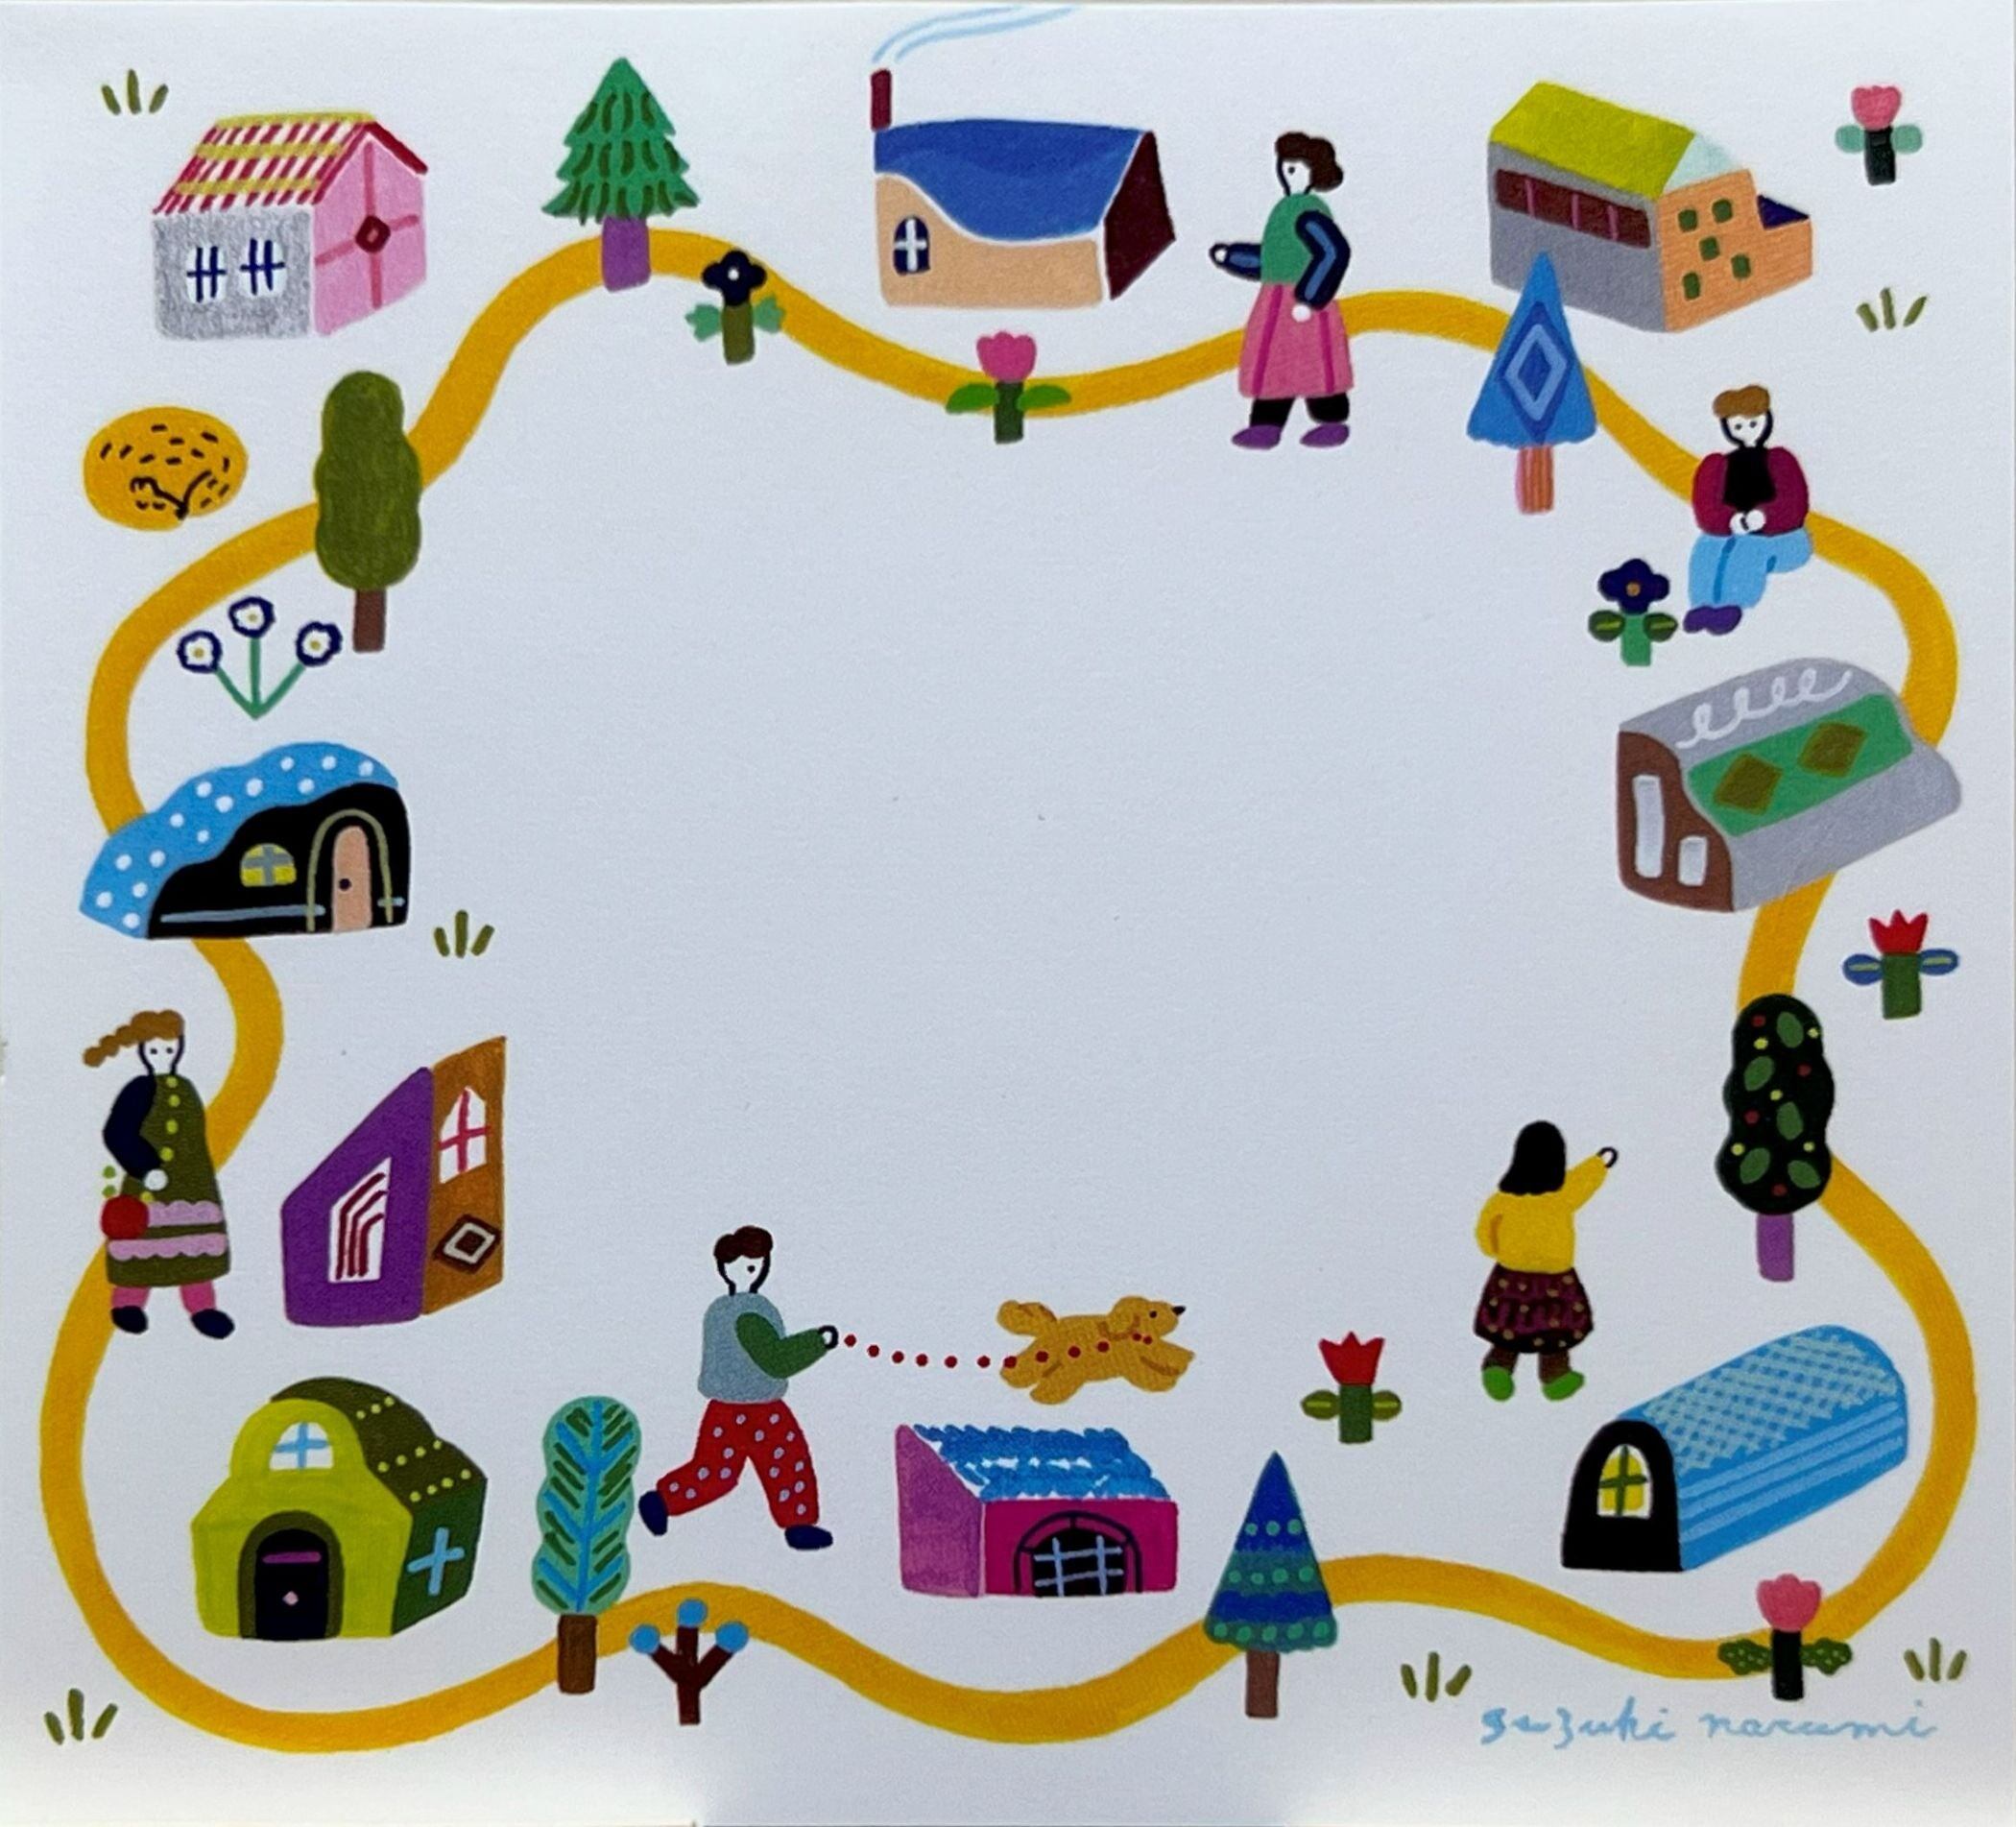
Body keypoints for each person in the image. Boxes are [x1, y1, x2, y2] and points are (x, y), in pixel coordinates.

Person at [638, 1226, 837, 1550]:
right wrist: (817, 1342)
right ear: (726, 1268)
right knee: (786, 1461)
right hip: (760, 1408)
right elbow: (776, 1360)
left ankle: (663, 1501)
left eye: (755, 1265)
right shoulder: (749, 1314)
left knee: (717, 1470)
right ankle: (798, 1523)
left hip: (724, 1408)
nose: (751, 1272)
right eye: (744, 1265)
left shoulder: (720, 1309)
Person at [85, 1011, 233, 1337]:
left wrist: (199, 1176)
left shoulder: (186, 1087)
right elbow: (117, 1132)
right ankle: (128, 1304)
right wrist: (145, 1166)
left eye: (169, 1049)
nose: (162, 1056)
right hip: (148, 1183)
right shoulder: (138, 1090)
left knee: (196, 1246)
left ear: (179, 1048)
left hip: (190, 1183)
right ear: (142, 1051)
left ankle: (202, 1308)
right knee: (142, 1243)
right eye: (154, 1050)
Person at [1211, 132, 1355, 449]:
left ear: (1312, 173)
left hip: (1301, 303)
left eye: (1295, 168)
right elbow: (1273, 258)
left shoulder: (1308, 213)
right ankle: (1266, 425)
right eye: (1285, 167)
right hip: (1275, 300)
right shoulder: (1284, 210)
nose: (1287, 174)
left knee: (1313, 360)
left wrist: (1311, 296)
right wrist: (1233, 257)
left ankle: (1330, 420)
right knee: (1273, 362)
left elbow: (1334, 252)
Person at [1472, 1122, 1616, 1402]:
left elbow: (1485, 1234)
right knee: (1555, 1331)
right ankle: (1555, 1376)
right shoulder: (1562, 1195)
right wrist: (1599, 1163)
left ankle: (1499, 1367)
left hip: (1510, 1276)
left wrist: (1498, 1252)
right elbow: (1583, 1180)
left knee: (1508, 1327)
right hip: (1555, 1278)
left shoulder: (1502, 1200)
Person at [1684, 384, 1812, 635]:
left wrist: (1764, 517)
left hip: (1783, 537)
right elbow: (1706, 508)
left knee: (1749, 549)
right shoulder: (1717, 465)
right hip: (1732, 531)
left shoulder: (1780, 460)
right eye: (1738, 426)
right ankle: (1703, 606)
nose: (1747, 432)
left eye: (1753, 423)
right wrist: (1730, 521)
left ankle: (1734, 604)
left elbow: (1794, 503)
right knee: (1707, 546)